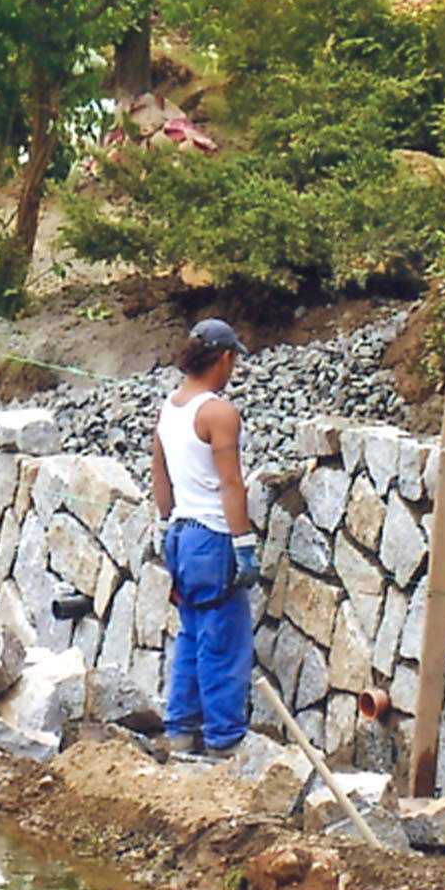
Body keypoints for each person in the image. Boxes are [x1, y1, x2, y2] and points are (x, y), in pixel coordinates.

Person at [151, 318, 257, 756]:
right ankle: (224, 742)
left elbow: (160, 471)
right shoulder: (218, 413)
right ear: (225, 357)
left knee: (192, 637)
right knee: (224, 642)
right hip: (213, 538)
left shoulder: (171, 406)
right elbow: (231, 483)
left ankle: (180, 732)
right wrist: (243, 544)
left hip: (181, 535)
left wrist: (164, 524)